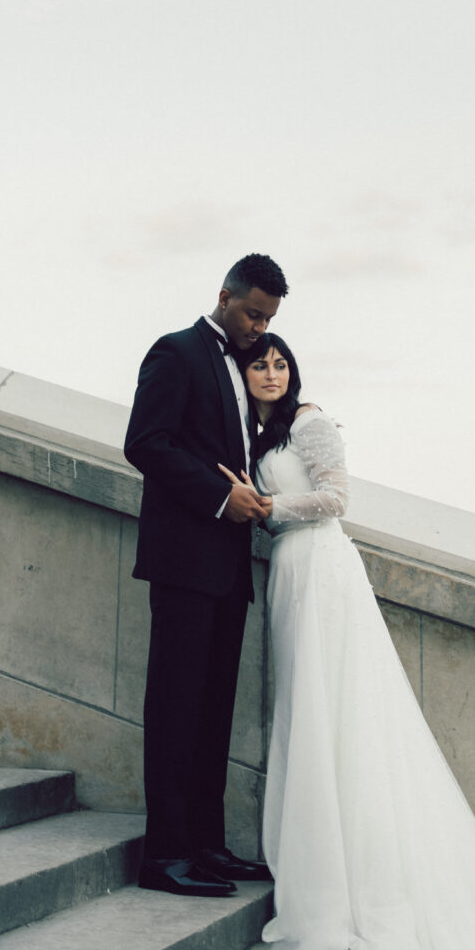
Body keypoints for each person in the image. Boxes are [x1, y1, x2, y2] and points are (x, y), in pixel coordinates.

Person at [218, 332, 475, 950]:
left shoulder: (308, 423)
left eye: (281, 363)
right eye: (261, 363)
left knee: (337, 705)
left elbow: (337, 499)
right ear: (242, 371)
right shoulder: (250, 439)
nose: (273, 372)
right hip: (287, 571)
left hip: (322, 564)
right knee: (306, 707)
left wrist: (267, 506)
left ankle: (357, 878)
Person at [124, 253, 288, 896]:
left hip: (226, 570)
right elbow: (145, 443)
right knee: (174, 709)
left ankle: (207, 845)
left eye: (269, 318)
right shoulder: (176, 352)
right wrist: (222, 499)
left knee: (214, 711)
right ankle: (164, 855)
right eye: (252, 313)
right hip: (184, 563)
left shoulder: (242, 369)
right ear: (223, 296)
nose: (258, 328)